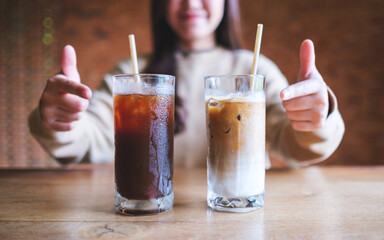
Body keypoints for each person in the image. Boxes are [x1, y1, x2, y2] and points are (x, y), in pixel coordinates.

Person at [28, 0, 344, 169]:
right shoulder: (133, 73)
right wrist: (62, 121)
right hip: (150, 218)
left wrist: (315, 119)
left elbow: (290, 142)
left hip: (235, 217)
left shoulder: (254, 69)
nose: (191, 2)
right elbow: (92, 137)